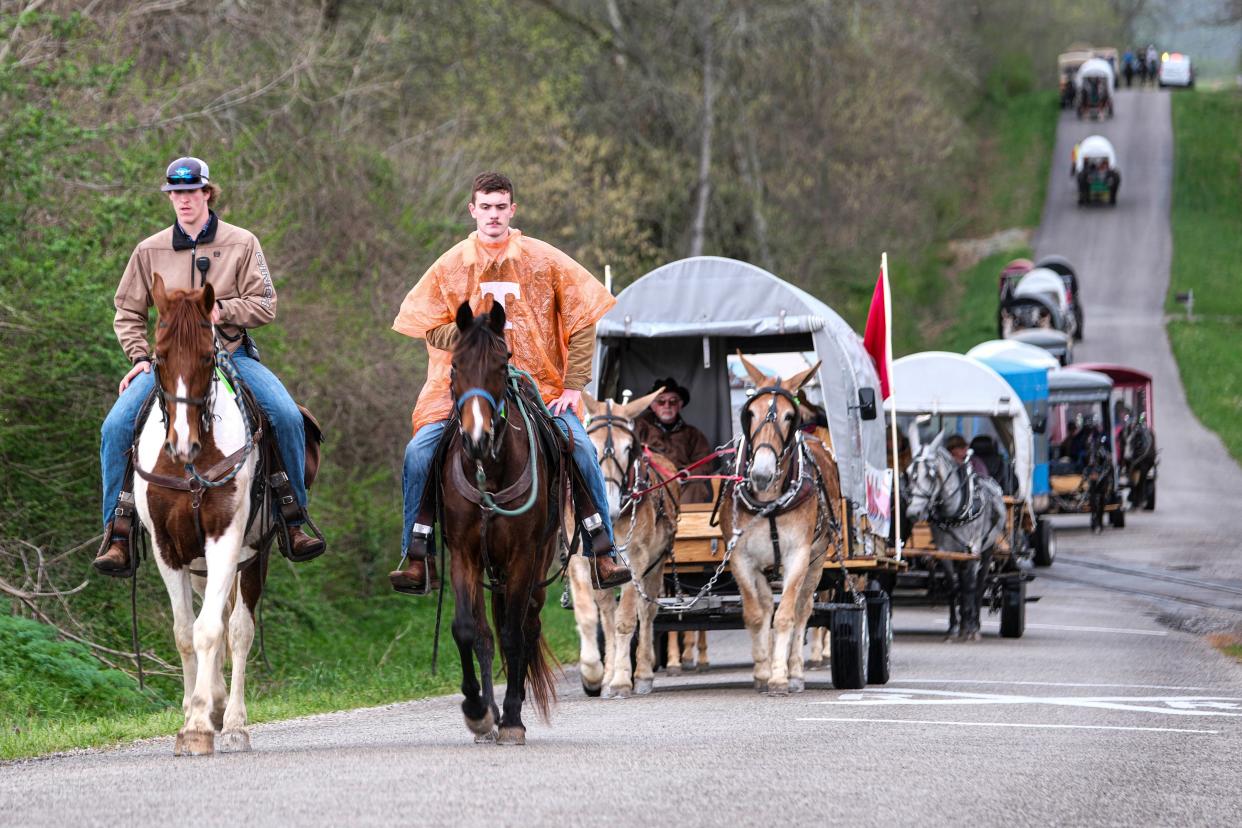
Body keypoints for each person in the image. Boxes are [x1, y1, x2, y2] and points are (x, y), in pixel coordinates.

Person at [388, 172, 630, 593]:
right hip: (469, 387)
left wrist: (574, 386)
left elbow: (583, 317)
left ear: (512, 210)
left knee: (583, 448)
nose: (493, 215)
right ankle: (417, 551)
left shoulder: (545, 259)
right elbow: (428, 326)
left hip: (541, 385)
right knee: (418, 452)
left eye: (501, 207)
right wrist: (473, 338)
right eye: (486, 206)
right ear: (473, 210)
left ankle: (602, 548)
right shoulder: (449, 265)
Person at [95, 156, 324, 575]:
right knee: (115, 427)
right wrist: (140, 358)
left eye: (191, 192)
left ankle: (293, 516)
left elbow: (266, 303)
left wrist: (223, 309)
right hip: (169, 366)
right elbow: (126, 311)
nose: (183, 200)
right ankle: (118, 527)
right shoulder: (149, 250)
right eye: (176, 194)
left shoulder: (242, 242)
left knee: (288, 416)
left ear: (207, 193)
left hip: (230, 356)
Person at [633, 378, 714, 503]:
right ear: (652, 406)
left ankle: (689, 522)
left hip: (682, 485)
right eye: (661, 401)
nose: (667, 406)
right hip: (649, 484)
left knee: (697, 487)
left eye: (673, 401)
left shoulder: (693, 434)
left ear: (680, 405)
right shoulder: (639, 428)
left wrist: (686, 473)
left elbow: (705, 463)